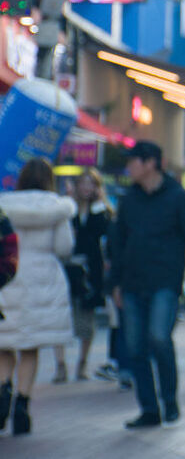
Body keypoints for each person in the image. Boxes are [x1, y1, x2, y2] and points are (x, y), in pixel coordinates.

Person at [108, 141, 185, 429]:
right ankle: (149, 409)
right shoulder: (129, 199)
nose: (129, 166)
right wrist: (114, 284)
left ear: (150, 163)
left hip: (165, 282)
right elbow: (117, 242)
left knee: (159, 338)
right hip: (132, 283)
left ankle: (169, 399)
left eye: (133, 161)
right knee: (136, 348)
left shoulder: (178, 198)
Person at [0, 158, 77, 435]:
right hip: (43, 280)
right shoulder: (57, 208)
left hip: (8, 275)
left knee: (4, 343)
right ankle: (22, 404)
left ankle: (2, 389)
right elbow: (64, 247)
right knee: (29, 347)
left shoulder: (5, 205)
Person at [55, 168, 112, 383]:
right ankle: (60, 365)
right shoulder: (67, 208)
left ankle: (82, 363)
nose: (87, 188)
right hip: (68, 267)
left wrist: (98, 206)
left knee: (87, 318)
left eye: (92, 184)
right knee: (60, 316)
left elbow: (102, 231)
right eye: (84, 183)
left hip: (91, 270)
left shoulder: (102, 210)